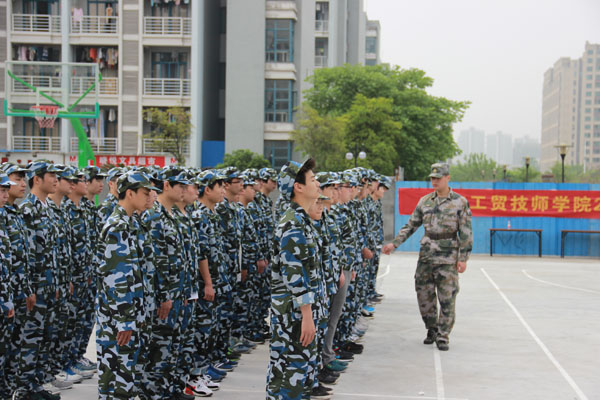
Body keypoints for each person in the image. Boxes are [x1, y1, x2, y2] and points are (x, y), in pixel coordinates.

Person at [382, 163, 473, 351]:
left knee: (447, 298)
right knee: (424, 295)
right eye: (432, 178)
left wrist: (463, 258)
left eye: (438, 178)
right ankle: (432, 328)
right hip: (427, 256)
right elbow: (411, 225)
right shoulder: (425, 202)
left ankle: (443, 335)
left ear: (447, 178)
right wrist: (394, 243)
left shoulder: (460, 202)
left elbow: (466, 232)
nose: (435, 181)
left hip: (448, 257)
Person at [266, 158, 326, 400]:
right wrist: (307, 315)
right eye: (312, 179)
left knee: (302, 379)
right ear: (298, 187)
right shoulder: (292, 223)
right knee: (288, 380)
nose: (317, 183)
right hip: (294, 315)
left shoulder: (302, 220)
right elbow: (294, 275)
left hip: (301, 313)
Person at [96, 170, 158, 399]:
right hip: (118, 318)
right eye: (144, 192)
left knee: (128, 379)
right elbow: (116, 277)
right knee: (116, 380)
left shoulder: (132, 223)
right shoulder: (117, 227)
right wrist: (124, 319)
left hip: (132, 314)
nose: (149, 196)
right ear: (129, 193)